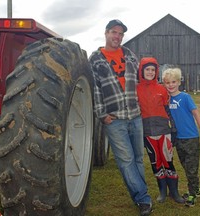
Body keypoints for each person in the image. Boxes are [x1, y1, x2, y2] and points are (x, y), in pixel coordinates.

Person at [89, 19, 152, 216]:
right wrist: (101, 114)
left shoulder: (130, 56)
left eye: (120, 34)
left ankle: (141, 194)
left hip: (135, 115)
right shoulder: (95, 59)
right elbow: (95, 89)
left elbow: (141, 83)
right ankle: (143, 198)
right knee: (126, 161)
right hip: (114, 118)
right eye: (114, 32)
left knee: (139, 159)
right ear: (106, 33)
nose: (117, 36)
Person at [137, 57, 185, 205]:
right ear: (142, 71)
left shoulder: (162, 89)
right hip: (147, 132)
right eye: (147, 69)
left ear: (156, 71)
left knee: (168, 161)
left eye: (153, 70)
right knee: (155, 163)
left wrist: (174, 128)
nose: (150, 72)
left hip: (164, 130)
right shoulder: (136, 89)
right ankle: (162, 192)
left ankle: (174, 192)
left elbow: (168, 110)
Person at [162, 67, 200, 207]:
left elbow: (196, 115)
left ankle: (192, 194)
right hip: (178, 139)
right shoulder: (167, 100)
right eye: (167, 82)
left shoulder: (185, 97)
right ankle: (197, 189)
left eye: (173, 82)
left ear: (179, 82)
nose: (170, 85)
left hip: (191, 138)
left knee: (191, 168)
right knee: (185, 166)